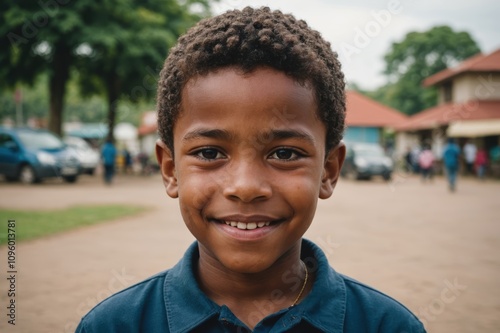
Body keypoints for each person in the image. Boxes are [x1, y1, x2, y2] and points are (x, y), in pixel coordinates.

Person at [76, 7, 425, 332]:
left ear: (328, 170)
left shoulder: (387, 326)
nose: (245, 186)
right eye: (210, 152)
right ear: (170, 170)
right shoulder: (114, 325)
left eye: (285, 154)